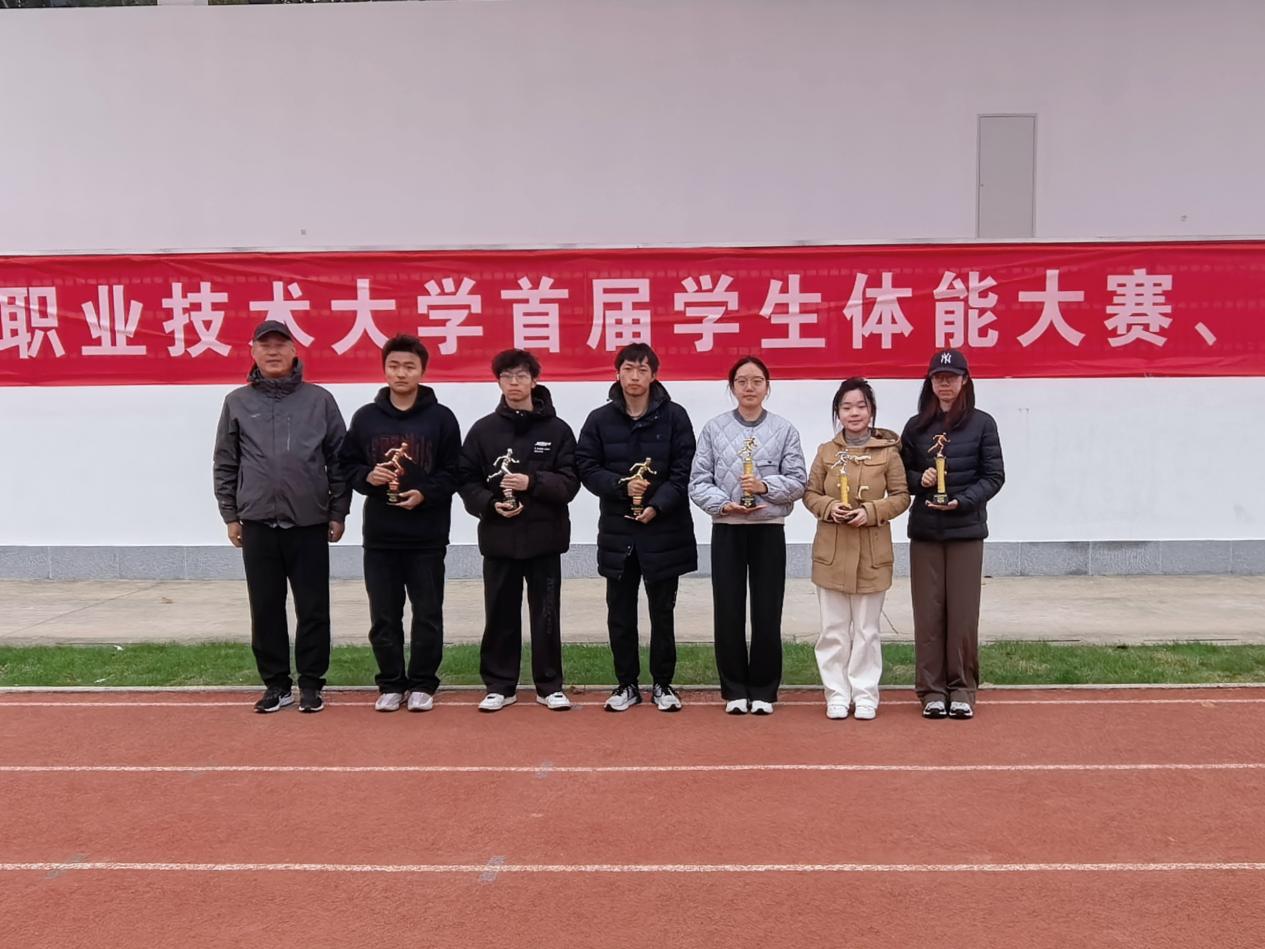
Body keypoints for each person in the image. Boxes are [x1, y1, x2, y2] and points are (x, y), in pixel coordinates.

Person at [212, 319, 350, 714]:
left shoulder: (319, 400)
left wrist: (338, 510)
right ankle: (276, 684)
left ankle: (311, 684)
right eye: (265, 345)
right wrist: (230, 514)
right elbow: (226, 462)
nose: (273, 352)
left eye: (280, 345)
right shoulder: (237, 402)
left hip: (309, 522)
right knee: (265, 608)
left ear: (294, 351)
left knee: (313, 608)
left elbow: (339, 460)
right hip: (257, 522)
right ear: (252, 351)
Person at [340, 335, 461, 713]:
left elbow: (454, 472)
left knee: (427, 613)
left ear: (422, 371)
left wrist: (425, 493)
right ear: (384, 369)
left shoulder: (441, 418)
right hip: (381, 536)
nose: (401, 373)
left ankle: (423, 683)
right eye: (394, 366)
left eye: (409, 366)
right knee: (384, 615)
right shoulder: (366, 418)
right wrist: (367, 477)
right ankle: (391, 683)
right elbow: (347, 465)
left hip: (427, 536)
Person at [577, 343, 697, 712]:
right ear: (617, 373)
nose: (634, 376)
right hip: (619, 533)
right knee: (620, 614)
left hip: (664, 531)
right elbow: (586, 466)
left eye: (642, 370)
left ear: (654, 375)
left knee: (663, 613)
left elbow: (684, 470)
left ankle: (663, 684)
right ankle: (626, 684)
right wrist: (620, 486)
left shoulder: (675, 417)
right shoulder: (600, 419)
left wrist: (657, 505)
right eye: (628, 369)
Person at [458, 349, 579, 712]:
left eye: (521, 376)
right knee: (500, 615)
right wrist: (488, 504)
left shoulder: (557, 430)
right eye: (507, 377)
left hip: (545, 540)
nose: (514, 383)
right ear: (498, 382)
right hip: (499, 540)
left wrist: (533, 482)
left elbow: (570, 482)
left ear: (534, 380)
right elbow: (466, 479)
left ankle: (549, 685)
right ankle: (500, 685)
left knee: (546, 616)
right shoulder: (483, 430)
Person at [688, 356, 806, 715]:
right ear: (732, 387)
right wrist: (724, 505)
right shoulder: (714, 429)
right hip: (728, 529)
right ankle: (734, 689)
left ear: (767, 387)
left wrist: (764, 487)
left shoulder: (784, 430)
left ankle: (765, 690)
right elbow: (698, 481)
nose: (749, 387)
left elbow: (798, 481)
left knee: (767, 611)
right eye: (742, 381)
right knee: (728, 610)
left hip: (769, 531)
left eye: (757, 381)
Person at [900, 348, 1005, 721]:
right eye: (938, 378)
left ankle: (961, 689)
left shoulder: (982, 424)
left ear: (965, 381)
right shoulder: (916, 427)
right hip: (926, 532)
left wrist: (963, 501)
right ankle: (931, 691)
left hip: (966, 531)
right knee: (928, 615)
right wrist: (921, 479)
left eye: (952, 377)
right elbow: (900, 475)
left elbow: (994, 476)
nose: (945, 384)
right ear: (930, 383)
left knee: (962, 614)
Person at [802, 377, 910, 720]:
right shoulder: (826, 452)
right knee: (833, 630)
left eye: (861, 406)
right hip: (832, 552)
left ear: (871, 410)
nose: (854, 413)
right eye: (846, 407)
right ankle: (836, 693)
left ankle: (865, 694)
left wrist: (872, 512)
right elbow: (810, 493)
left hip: (872, 553)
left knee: (866, 630)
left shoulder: (888, 452)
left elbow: (901, 496)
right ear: (838, 412)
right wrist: (829, 506)